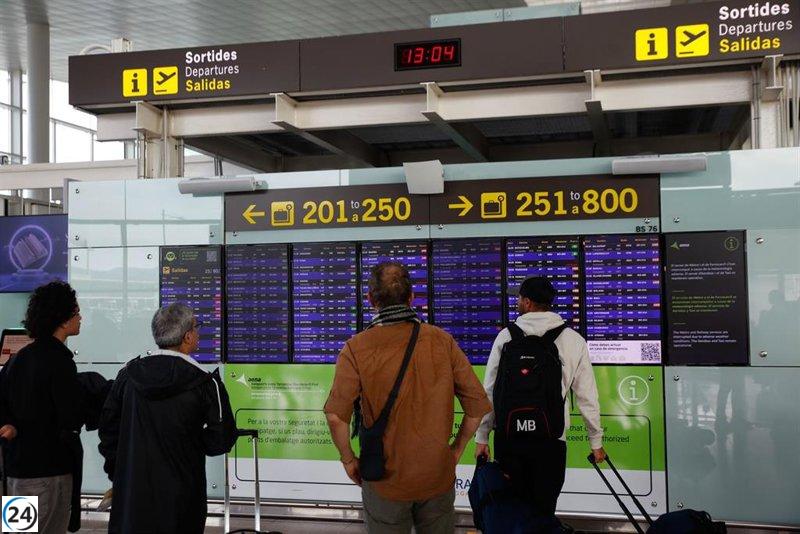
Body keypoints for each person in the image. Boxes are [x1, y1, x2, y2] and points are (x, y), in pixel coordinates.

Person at [325, 261, 492, 534]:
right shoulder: (442, 341)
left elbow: (335, 416)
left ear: (370, 299)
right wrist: (456, 449)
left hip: (384, 482)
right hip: (436, 477)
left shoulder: (356, 348)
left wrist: (348, 459)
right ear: (412, 298)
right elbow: (476, 407)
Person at [475, 276, 606, 528]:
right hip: (551, 442)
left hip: (509, 440)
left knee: (510, 513)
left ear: (526, 301)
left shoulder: (505, 337)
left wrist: (482, 437)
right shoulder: (573, 340)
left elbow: (489, 391)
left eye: (519, 299)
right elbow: (587, 396)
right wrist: (596, 442)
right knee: (544, 512)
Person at [98, 303, 236, 534]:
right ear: (188, 336)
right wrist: (190, 442)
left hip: (132, 497)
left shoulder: (128, 375)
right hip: (182, 499)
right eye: (196, 327)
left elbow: (108, 429)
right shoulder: (205, 382)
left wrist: (119, 472)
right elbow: (221, 438)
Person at [0, 281, 83, 534]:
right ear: (63, 319)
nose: (81, 317)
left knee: (20, 531)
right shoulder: (60, 362)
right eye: (76, 312)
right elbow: (71, 416)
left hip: (17, 473)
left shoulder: (18, 358)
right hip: (49, 472)